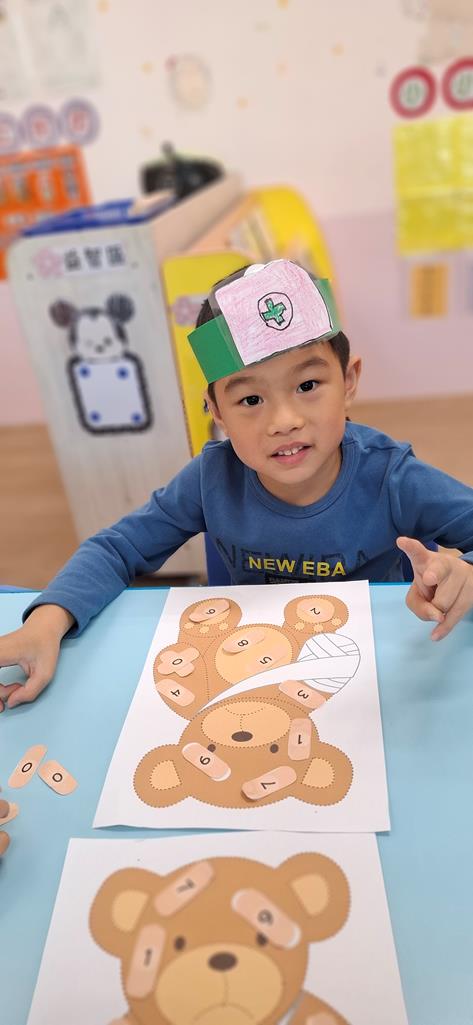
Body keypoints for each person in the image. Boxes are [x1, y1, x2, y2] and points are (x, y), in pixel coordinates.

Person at [0, 260, 472, 712]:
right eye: (250, 399)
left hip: (376, 674)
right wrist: (47, 621)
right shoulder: (211, 479)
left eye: (308, 386)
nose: (284, 421)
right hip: (248, 670)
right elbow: (116, 549)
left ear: (348, 381)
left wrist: (464, 576)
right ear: (217, 412)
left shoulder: (393, 477)